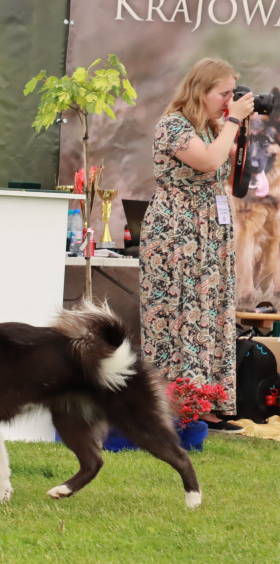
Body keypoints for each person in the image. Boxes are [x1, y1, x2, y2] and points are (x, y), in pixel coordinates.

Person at [139, 58, 255, 434]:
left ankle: (209, 403)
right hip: (178, 230)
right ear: (200, 91)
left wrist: (237, 126)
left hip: (210, 228)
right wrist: (234, 122)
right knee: (179, 311)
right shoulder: (172, 125)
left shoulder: (213, 127)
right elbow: (207, 162)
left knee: (209, 311)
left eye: (232, 94)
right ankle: (175, 404)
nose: (228, 100)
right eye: (223, 93)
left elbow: (230, 167)